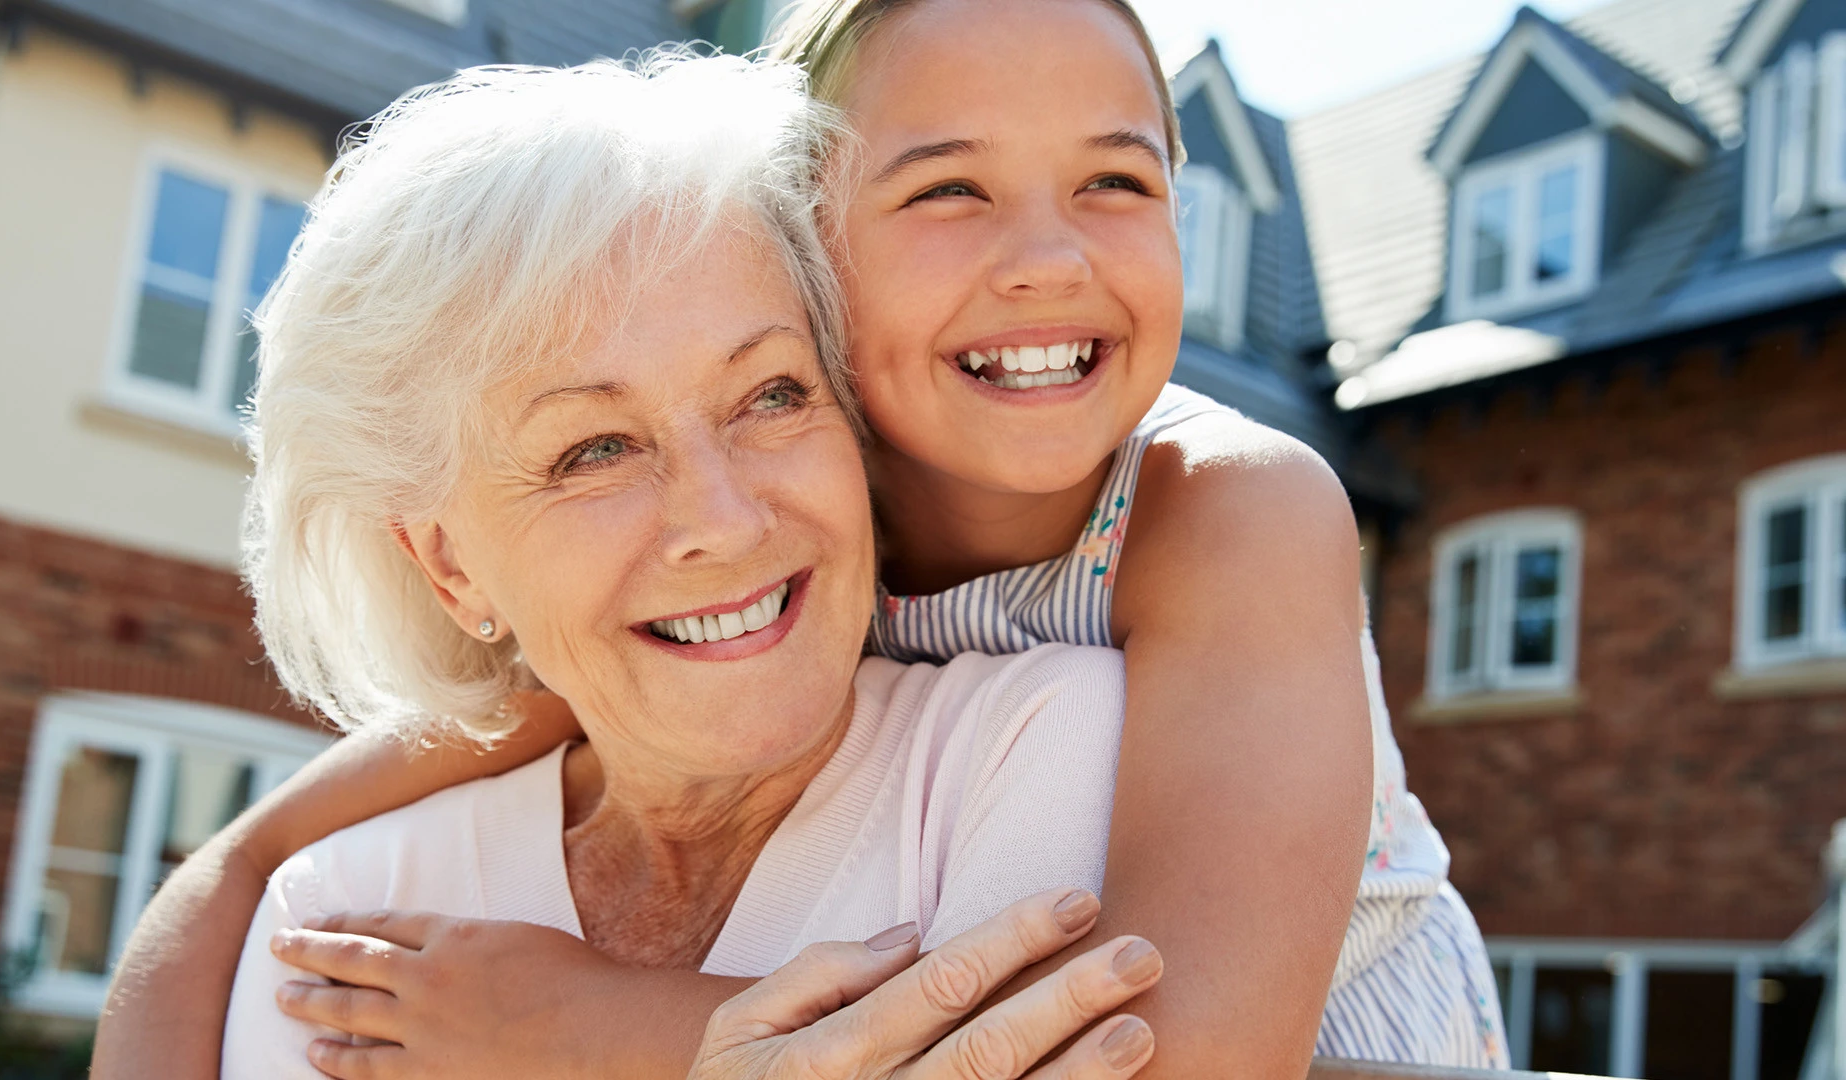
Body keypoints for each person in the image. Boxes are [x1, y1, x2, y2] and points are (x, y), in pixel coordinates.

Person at [98, 0, 1505, 1076]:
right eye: (949, 189)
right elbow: (243, 862)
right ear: (812, 251)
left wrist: (600, 1030)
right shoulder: (798, 530)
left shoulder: (1231, 508)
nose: (1048, 259)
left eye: (1119, 184)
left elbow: (1169, 1051)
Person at [216, 53, 1164, 1079]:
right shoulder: (338, 928)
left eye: (771, 396)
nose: (724, 519)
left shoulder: (1041, 741)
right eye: (595, 451)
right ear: (452, 568)